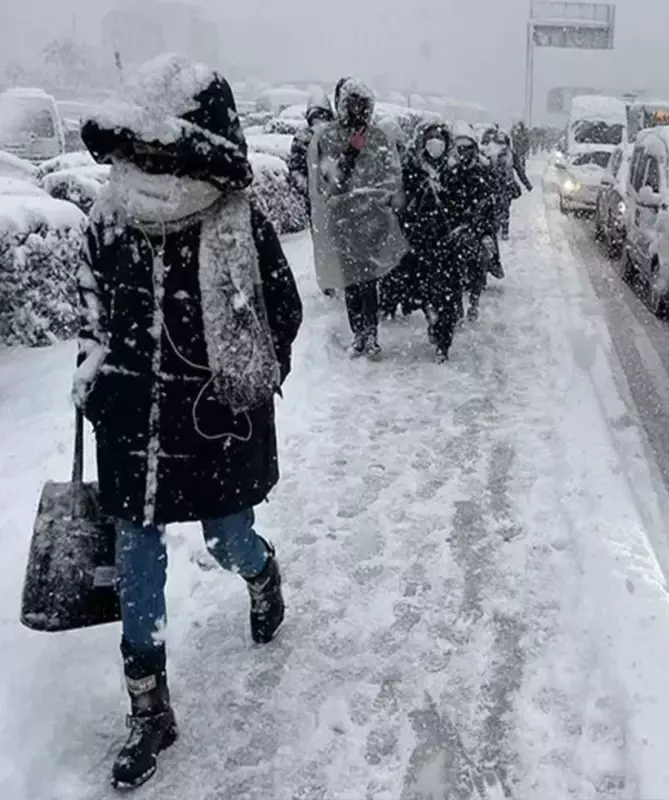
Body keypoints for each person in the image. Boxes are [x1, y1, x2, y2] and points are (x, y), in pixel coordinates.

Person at [75, 54, 303, 790]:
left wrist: (245, 377)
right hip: (134, 426)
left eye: (160, 147)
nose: (146, 161)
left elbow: (283, 313)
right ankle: (149, 711)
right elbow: (91, 318)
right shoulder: (110, 219)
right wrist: (95, 379)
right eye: (139, 148)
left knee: (225, 537)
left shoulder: (238, 222)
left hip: (214, 425)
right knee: (138, 557)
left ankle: (261, 574)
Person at [309, 77, 407, 359]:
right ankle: (358, 334)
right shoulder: (327, 137)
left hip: (373, 220)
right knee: (350, 281)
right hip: (343, 220)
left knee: (369, 280)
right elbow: (327, 182)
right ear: (342, 105)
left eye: (361, 104)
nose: (356, 110)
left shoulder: (379, 137)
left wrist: (383, 199)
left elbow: (392, 175)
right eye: (351, 103)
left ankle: (371, 334)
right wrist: (350, 154)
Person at [402, 122, 471, 362]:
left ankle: (444, 340)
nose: (435, 143)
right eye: (430, 138)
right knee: (425, 291)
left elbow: (464, 204)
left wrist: (460, 227)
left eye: (438, 139)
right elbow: (405, 203)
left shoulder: (456, 171)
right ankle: (432, 319)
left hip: (449, 242)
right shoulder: (413, 170)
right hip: (422, 241)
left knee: (449, 295)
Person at [447, 125, 498, 322]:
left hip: (479, 227)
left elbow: (490, 201)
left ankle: (474, 302)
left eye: (466, 148)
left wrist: (483, 228)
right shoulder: (451, 171)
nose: (463, 152)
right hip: (457, 228)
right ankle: (458, 305)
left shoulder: (483, 169)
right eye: (459, 148)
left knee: (478, 266)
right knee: (454, 269)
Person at [481, 126, 531, 240]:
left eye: (503, 144)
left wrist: (527, 184)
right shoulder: (490, 155)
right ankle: (495, 226)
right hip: (493, 185)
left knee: (505, 208)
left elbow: (519, 170)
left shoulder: (511, 155)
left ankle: (504, 230)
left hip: (507, 186)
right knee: (493, 207)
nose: (501, 146)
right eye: (499, 144)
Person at [287, 91, 334, 210]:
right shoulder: (304, 138)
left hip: (326, 201)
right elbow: (296, 170)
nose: (319, 123)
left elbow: (295, 169)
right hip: (319, 201)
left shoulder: (303, 137)